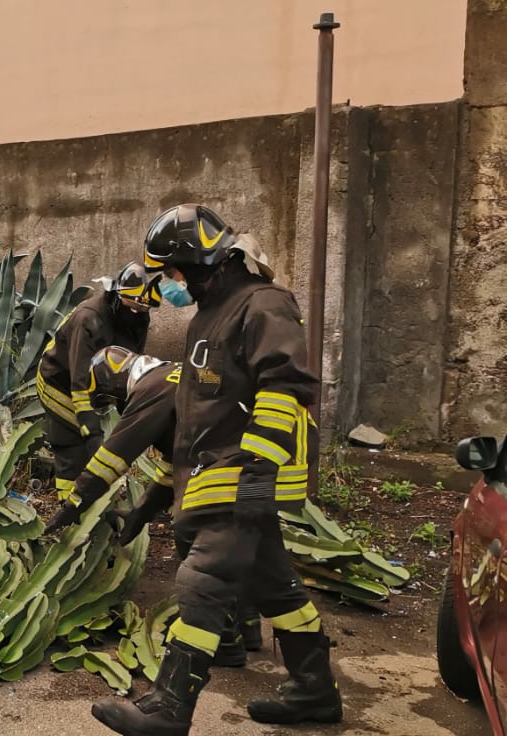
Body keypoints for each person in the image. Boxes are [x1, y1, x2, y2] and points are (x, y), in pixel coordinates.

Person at [93, 205, 336, 735]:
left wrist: (255, 469)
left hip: (242, 471)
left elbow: (287, 386)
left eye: (175, 272)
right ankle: (315, 690)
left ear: (200, 261)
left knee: (202, 580)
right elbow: (200, 414)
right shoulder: (209, 314)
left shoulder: (263, 305)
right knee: (276, 588)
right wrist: (154, 502)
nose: (173, 284)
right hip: (216, 473)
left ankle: (168, 706)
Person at [44, 346, 263, 667]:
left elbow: (114, 456)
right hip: (256, 463)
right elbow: (174, 466)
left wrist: (74, 503)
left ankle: (224, 642)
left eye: (107, 400)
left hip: (229, 467)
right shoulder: (173, 376)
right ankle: (249, 628)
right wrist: (140, 513)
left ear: (113, 386)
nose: (114, 407)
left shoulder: (150, 390)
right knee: (235, 547)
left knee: (198, 543)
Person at [36, 262, 159, 505]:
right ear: (116, 297)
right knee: (73, 445)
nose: (137, 312)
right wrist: (89, 427)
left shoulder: (139, 317)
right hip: (59, 382)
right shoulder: (88, 318)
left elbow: (131, 364)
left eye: (142, 308)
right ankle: (69, 505)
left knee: (93, 444)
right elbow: (79, 377)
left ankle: (94, 500)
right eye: (132, 307)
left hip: (91, 386)